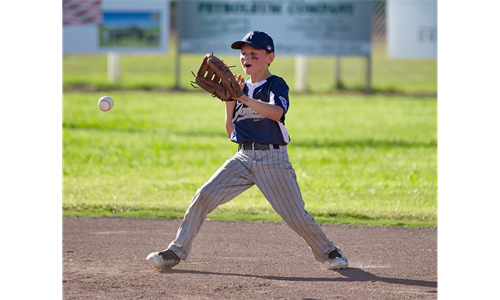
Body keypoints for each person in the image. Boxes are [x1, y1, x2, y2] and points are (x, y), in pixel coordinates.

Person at [146, 30, 348, 270]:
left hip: (272, 159)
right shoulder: (238, 89)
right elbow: (232, 131)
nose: (246, 58)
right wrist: (230, 101)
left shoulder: (275, 84)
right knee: (204, 195)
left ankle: (331, 252)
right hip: (242, 158)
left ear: (270, 57)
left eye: (254, 53)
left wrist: (243, 98)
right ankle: (175, 252)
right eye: (243, 54)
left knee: (296, 217)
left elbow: (276, 113)